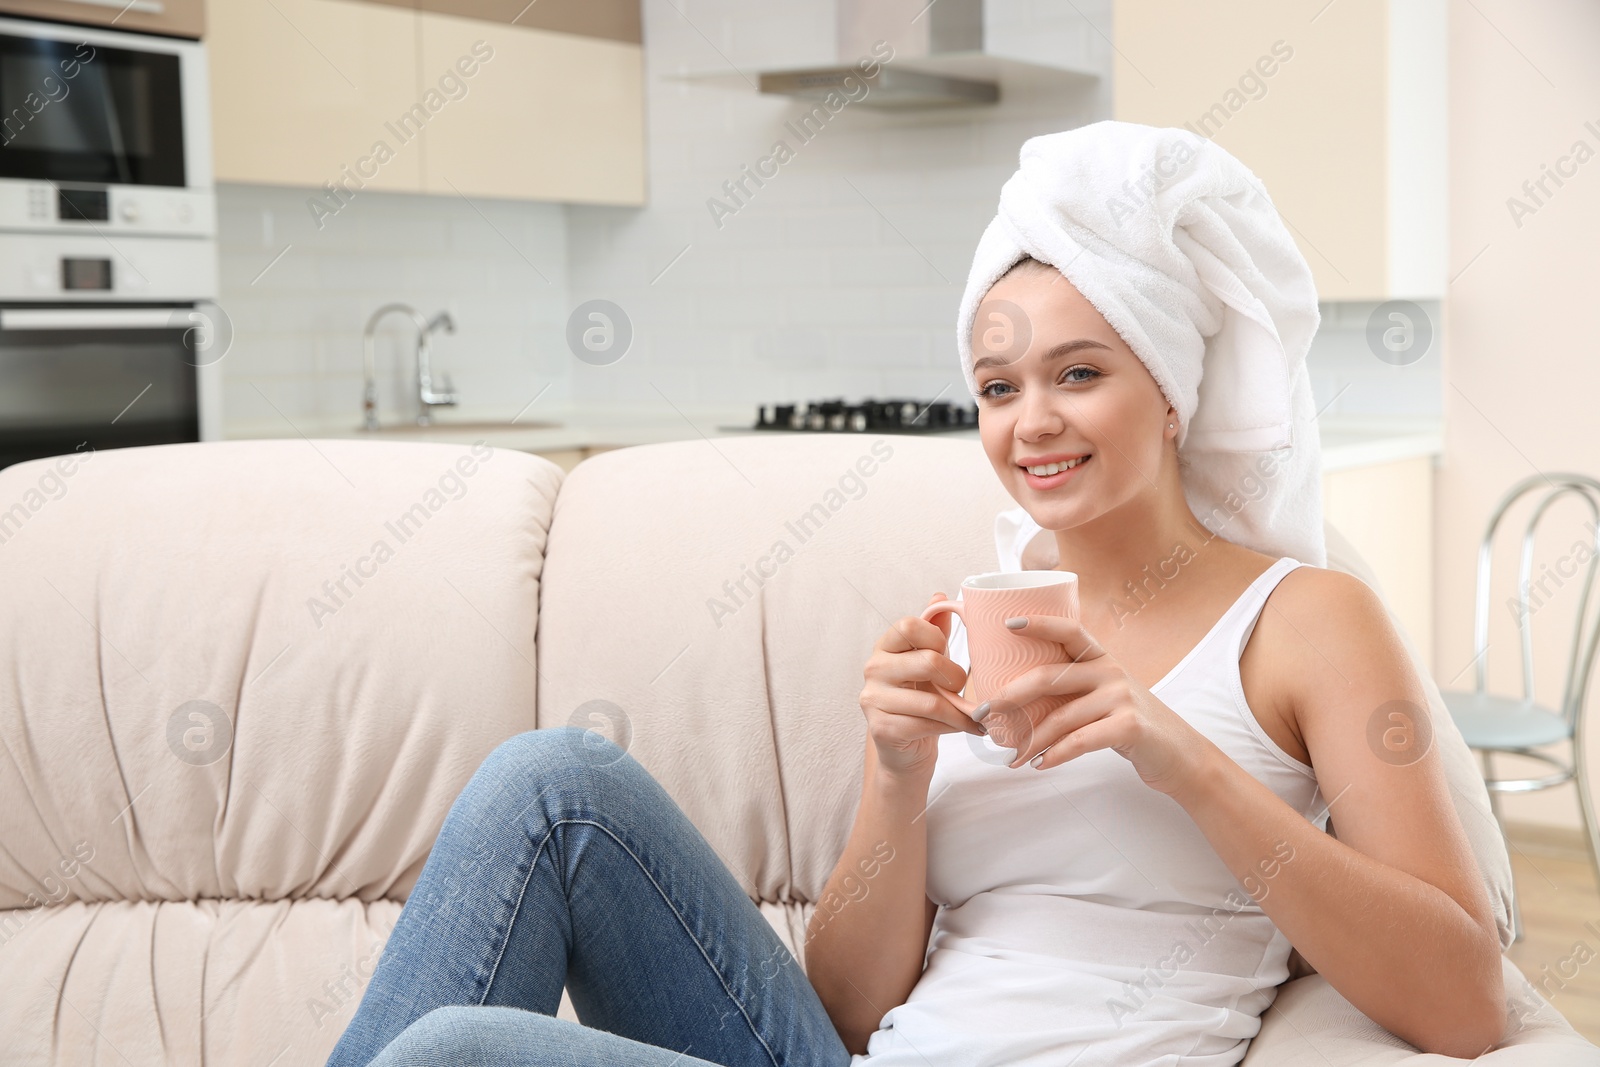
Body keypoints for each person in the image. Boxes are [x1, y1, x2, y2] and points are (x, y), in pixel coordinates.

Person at [325, 122, 1505, 1067]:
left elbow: (1463, 1003)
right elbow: (842, 1011)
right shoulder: (982, 623)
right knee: (551, 780)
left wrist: (1174, 750)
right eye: (997, 386)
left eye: (1077, 373)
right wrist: (894, 776)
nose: (1030, 421)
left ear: (1172, 390)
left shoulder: (1302, 617)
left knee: (452, 1052)